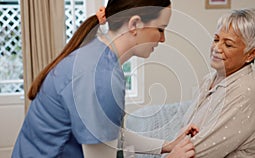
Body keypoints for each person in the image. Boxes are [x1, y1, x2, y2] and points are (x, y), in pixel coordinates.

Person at [12, 0, 199, 157]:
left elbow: (110, 134)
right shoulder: (100, 76)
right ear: (135, 24)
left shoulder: (97, 55)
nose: (163, 39)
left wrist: (167, 146)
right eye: (160, 29)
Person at [182, 8, 255, 157]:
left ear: (251, 54)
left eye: (228, 45)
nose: (216, 48)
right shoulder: (210, 79)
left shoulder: (245, 92)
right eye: (216, 39)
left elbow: (195, 153)